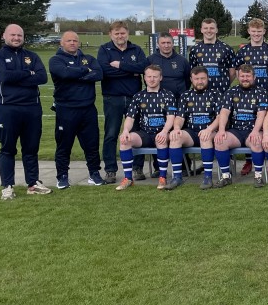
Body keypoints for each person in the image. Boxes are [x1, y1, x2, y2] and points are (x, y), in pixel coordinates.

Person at [0, 23, 52, 199]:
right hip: (7, 107)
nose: (16, 38)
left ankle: (33, 183)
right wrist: (28, 73)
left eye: (19, 35)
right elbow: (3, 76)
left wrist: (17, 75)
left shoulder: (32, 56)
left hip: (32, 107)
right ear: (4, 36)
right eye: (13, 35)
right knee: (8, 148)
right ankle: (7, 186)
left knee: (31, 148)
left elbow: (42, 77)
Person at [49, 30, 104, 189]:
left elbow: (99, 74)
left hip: (88, 109)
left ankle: (94, 173)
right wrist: (85, 71)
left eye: (75, 40)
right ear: (62, 43)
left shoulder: (88, 58)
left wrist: (77, 75)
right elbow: (64, 74)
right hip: (66, 109)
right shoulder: (56, 60)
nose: (72, 43)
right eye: (69, 40)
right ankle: (62, 176)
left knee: (92, 144)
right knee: (64, 145)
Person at [98, 21, 148, 183]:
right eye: (117, 33)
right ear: (111, 34)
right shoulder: (104, 50)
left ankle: (137, 168)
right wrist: (131, 71)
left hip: (134, 98)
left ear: (127, 33)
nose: (120, 36)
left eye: (123, 33)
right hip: (112, 98)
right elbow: (105, 71)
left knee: (136, 133)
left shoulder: (136, 49)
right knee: (111, 134)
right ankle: (110, 170)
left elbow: (143, 67)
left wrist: (120, 65)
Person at [234, 17, 268, 175]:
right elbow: (238, 74)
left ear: (264, 32)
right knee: (249, 126)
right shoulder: (243, 52)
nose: (256, 34)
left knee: (267, 126)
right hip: (246, 97)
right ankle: (250, 160)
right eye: (254, 31)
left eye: (259, 31)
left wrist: (267, 87)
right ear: (249, 31)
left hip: (267, 95)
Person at [115, 64, 177, 190]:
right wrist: (125, 130)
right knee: (125, 140)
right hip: (144, 134)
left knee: (161, 140)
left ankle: (162, 177)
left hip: (162, 132)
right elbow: (130, 117)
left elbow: (171, 117)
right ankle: (128, 178)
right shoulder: (138, 96)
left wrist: (165, 131)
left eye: (155, 76)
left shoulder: (168, 95)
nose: (152, 79)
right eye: (149, 76)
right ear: (145, 78)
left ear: (160, 78)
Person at [211, 63, 268, 188]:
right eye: (242, 76)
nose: (245, 79)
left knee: (256, 140)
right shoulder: (231, 91)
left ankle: (258, 176)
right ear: (238, 77)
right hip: (236, 131)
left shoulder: (261, 92)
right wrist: (221, 130)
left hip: (252, 129)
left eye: (248, 76)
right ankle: (226, 176)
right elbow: (224, 112)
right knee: (220, 140)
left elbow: (261, 115)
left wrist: (255, 131)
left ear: (254, 77)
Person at [166, 66, 221, 190]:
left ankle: (207, 177)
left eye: (202, 78)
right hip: (191, 132)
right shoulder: (185, 95)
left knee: (205, 137)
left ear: (208, 78)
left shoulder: (215, 94)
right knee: (175, 137)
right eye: (196, 79)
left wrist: (209, 129)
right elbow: (180, 117)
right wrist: (176, 128)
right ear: (191, 79)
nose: (200, 81)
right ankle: (177, 177)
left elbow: (220, 117)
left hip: (210, 131)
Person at [188, 17, 237, 95]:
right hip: (201, 94)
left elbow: (232, 73)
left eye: (212, 28)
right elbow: (192, 72)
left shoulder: (227, 49)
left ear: (216, 30)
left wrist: (224, 84)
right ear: (201, 30)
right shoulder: (195, 49)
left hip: (222, 92)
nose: (209, 31)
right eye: (206, 28)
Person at [148, 33, 191, 97]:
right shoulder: (150, 60)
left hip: (178, 98)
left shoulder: (182, 60)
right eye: (163, 43)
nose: (166, 46)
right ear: (158, 44)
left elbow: (188, 80)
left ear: (173, 44)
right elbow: (147, 79)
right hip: (157, 98)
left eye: (168, 43)